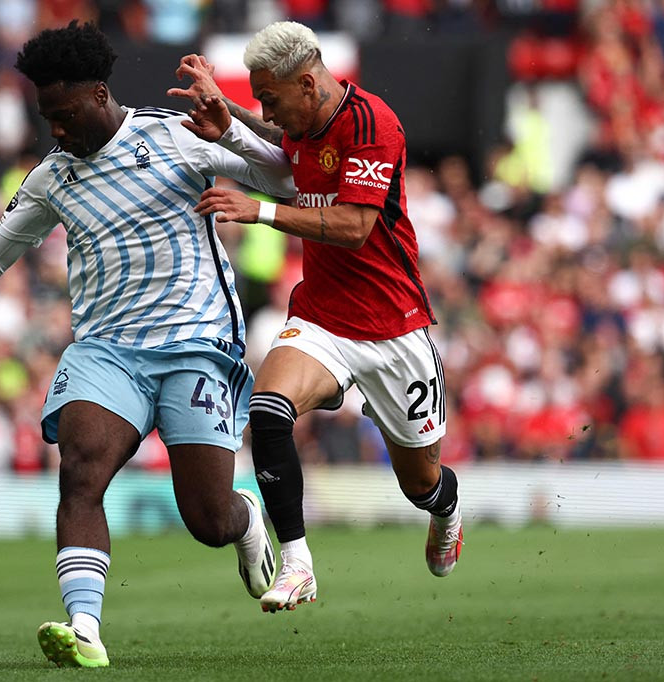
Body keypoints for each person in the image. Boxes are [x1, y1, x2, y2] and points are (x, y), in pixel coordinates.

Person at [0, 22, 294, 668]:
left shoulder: (175, 136)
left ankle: (243, 519)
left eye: (64, 114)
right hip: (107, 352)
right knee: (80, 471)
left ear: (99, 95)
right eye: (46, 116)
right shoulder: (52, 178)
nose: (55, 129)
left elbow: (287, 182)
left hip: (195, 346)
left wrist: (233, 131)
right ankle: (85, 628)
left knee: (209, 521)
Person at [168, 21, 463, 613]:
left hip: (393, 326)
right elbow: (280, 143)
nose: (267, 111)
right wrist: (226, 112)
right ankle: (298, 565)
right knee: (267, 412)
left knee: (421, 483)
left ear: (306, 83)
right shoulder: (305, 123)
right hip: (322, 318)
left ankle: (446, 510)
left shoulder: (372, 124)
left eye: (270, 98)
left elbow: (354, 227)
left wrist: (260, 210)